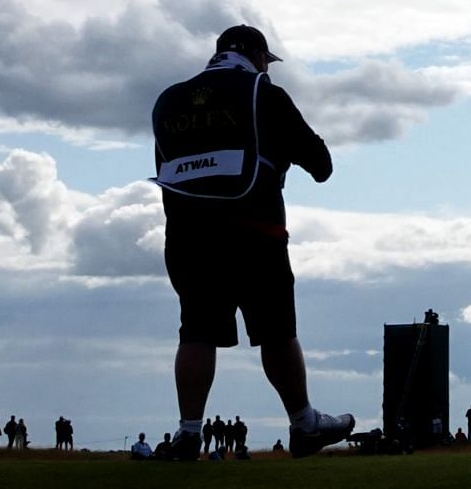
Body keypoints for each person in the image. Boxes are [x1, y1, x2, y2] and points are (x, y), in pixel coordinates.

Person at [150, 23, 355, 460]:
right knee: (277, 332)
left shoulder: (168, 101)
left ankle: (188, 434)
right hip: (254, 234)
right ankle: (304, 425)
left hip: (188, 240)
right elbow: (321, 165)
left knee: (196, 333)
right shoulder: (265, 94)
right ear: (259, 57)